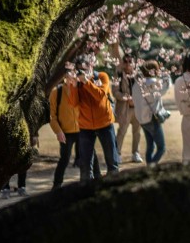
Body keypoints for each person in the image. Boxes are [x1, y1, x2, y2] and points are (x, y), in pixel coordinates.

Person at [65, 54, 120, 184]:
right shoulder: (76, 83)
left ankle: (115, 188)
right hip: (85, 126)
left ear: (91, 65)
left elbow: (100, 95)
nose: (81, 71)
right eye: (78, 69)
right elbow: (73, 103)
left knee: (112, 162)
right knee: (85, 166)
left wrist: (86, 82)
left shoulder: (101, 76)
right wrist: (73, 85)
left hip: (105, 123)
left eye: (84, 68)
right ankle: (86, 194)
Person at [49, 78, 100, 188]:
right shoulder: (56, 92)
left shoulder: (81, 89)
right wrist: (58, 131)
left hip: (83, 129)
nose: (71, 78)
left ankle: (98, 180)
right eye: (68, 74)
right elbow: (52, 117)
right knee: (65, 159)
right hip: (66, 132)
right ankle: (56, 186)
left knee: (91, 156)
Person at [132, 60, 171, 165]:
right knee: (161, 148)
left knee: (150, 146)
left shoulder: (136, 85)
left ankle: (149, 167)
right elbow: (166, 86)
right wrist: (166, 75)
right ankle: (151, 168)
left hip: (141, 119)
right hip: (151, 119)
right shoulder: (153, 83)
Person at [113, 53, 143, 163]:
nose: (128, 64)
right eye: (125, 61)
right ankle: (117, 153)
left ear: (134, 63)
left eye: (130, 61)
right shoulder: (118, 75)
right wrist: (126, 98)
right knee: (122, 132)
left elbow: (143, 90)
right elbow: (115, 91)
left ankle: (136, 153)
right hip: (125, 108)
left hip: (137, 109)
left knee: (137, 132)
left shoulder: (138, 75)